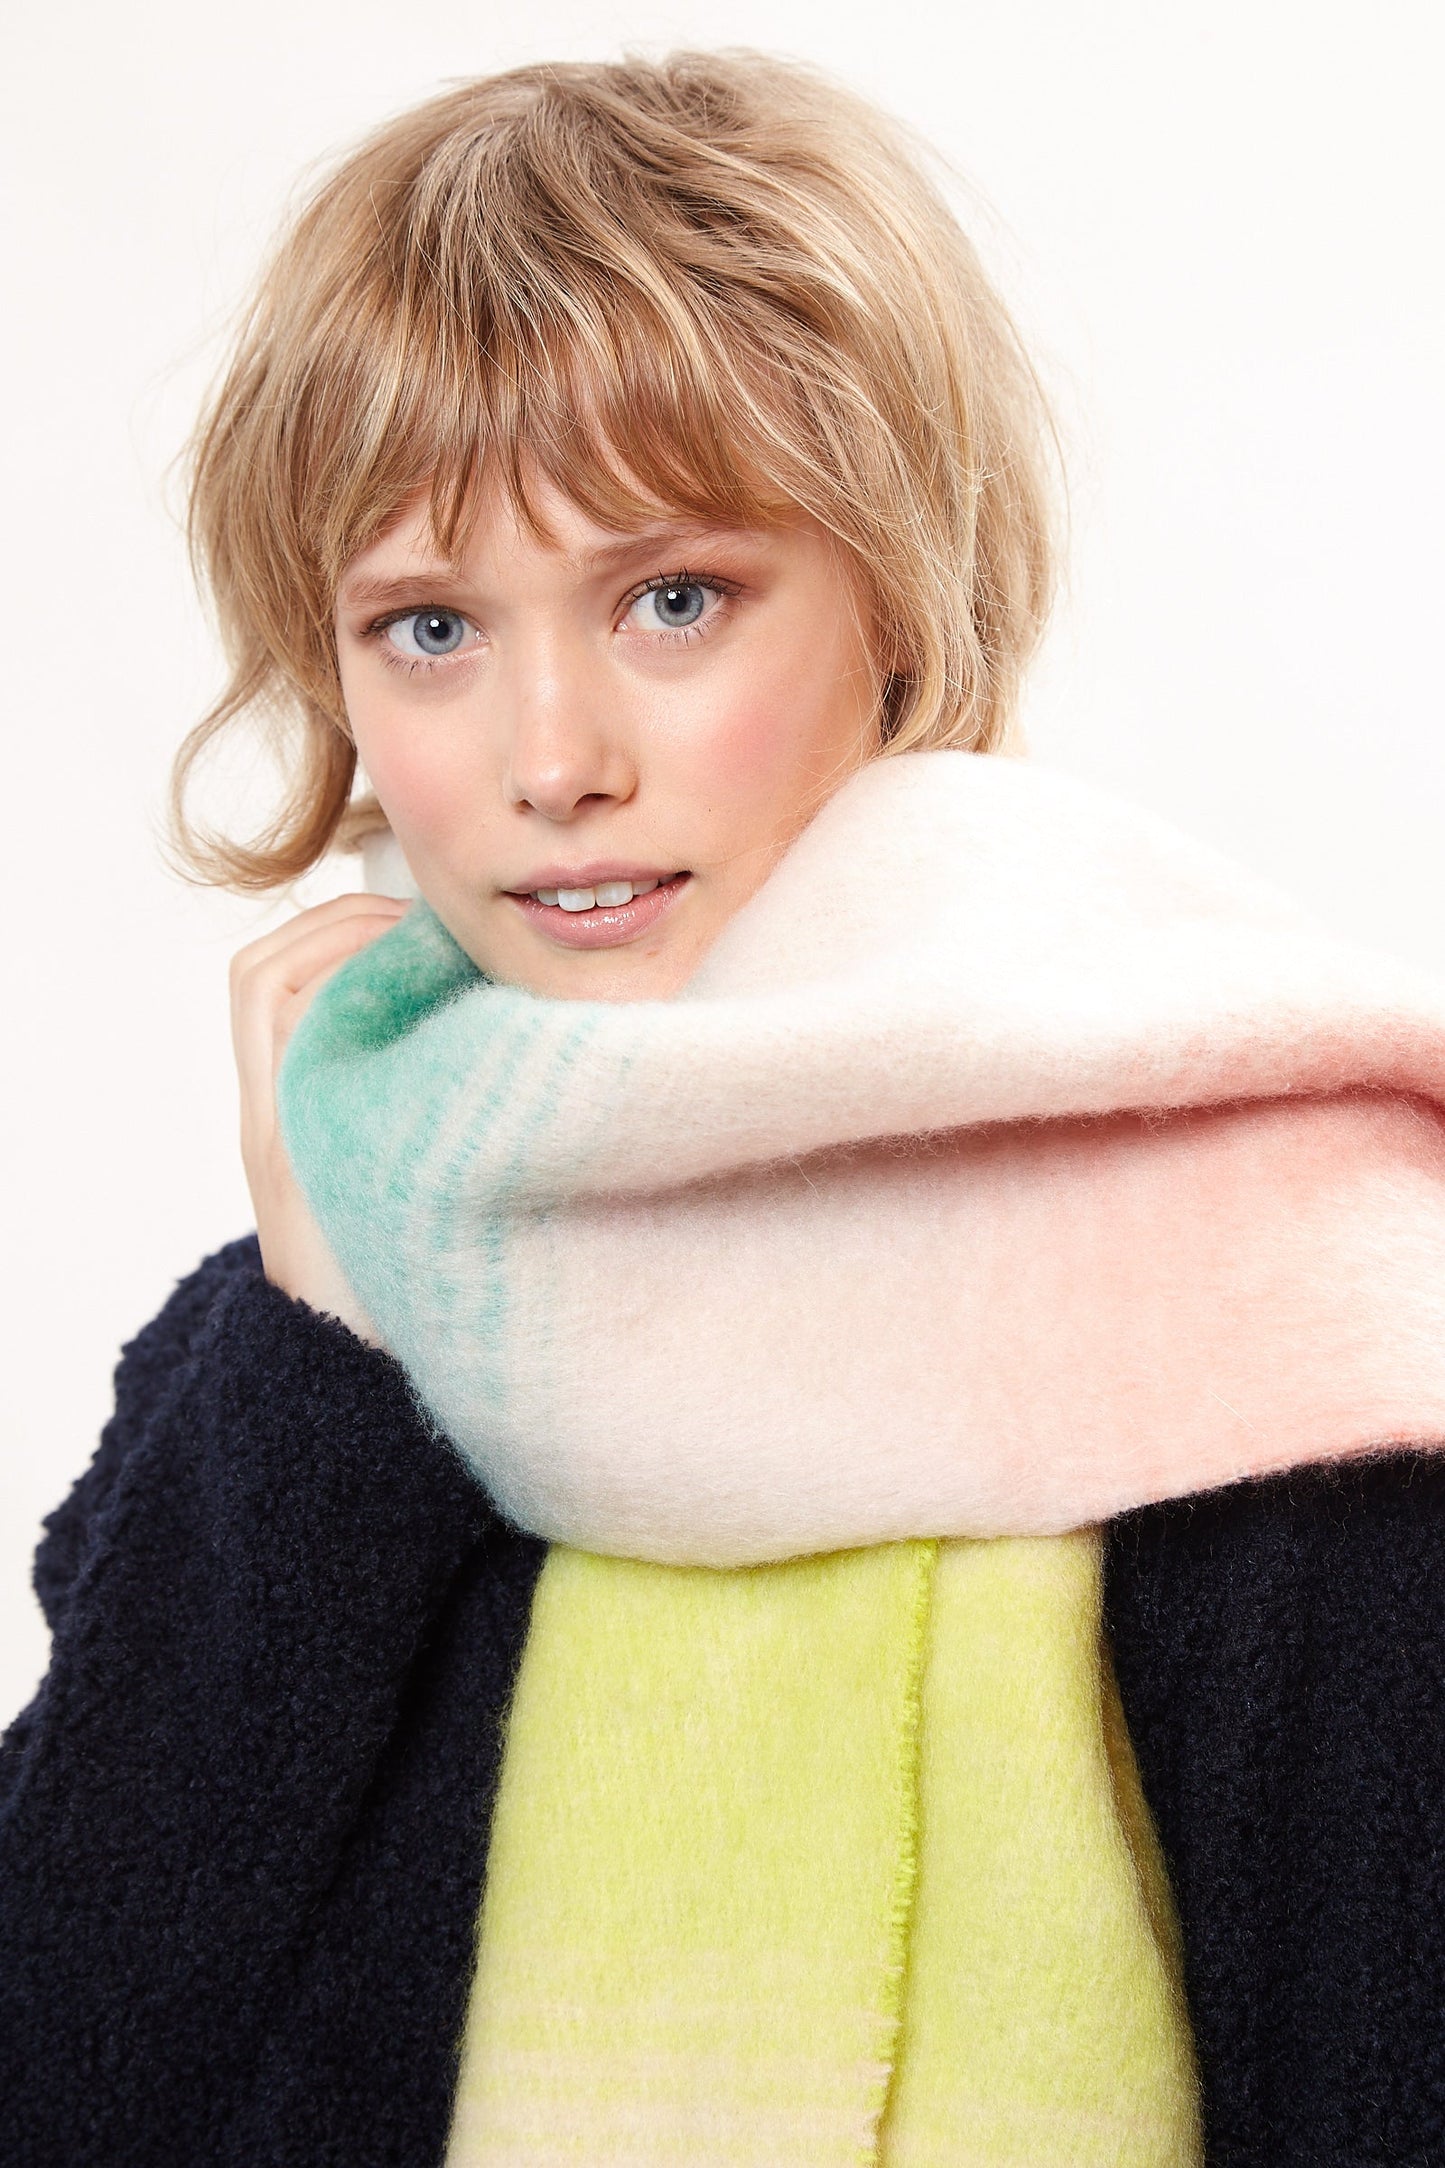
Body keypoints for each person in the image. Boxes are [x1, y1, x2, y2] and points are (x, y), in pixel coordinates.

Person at [5, 48, 1445, 2168]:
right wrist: (317, 1354)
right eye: (429, 628)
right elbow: (64, 2079)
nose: (552, 759)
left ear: (898, 597)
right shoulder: (302, 1358)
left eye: (671, 598)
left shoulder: (1263, 1297)